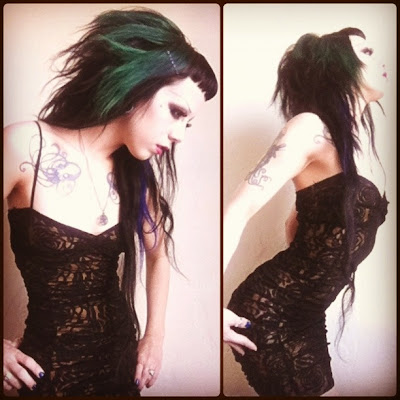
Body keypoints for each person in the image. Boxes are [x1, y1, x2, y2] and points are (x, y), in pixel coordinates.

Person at [3, 7, 217, 396]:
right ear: (137, 84)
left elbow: (158, 256)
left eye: (188, 123)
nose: (180, 135)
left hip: (121, 364)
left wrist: (154, 336)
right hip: (49, 372)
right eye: (176, 112)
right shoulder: (25, 146)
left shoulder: (137, 179)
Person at [223, 27, 388, 396]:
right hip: (272, 312)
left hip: (307, 313)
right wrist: (207, 311)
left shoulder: (352, 141)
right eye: (366, 51)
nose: (381, 58)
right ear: (338, 66)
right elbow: (238, 209)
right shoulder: (310, 128)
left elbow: (296, 222)